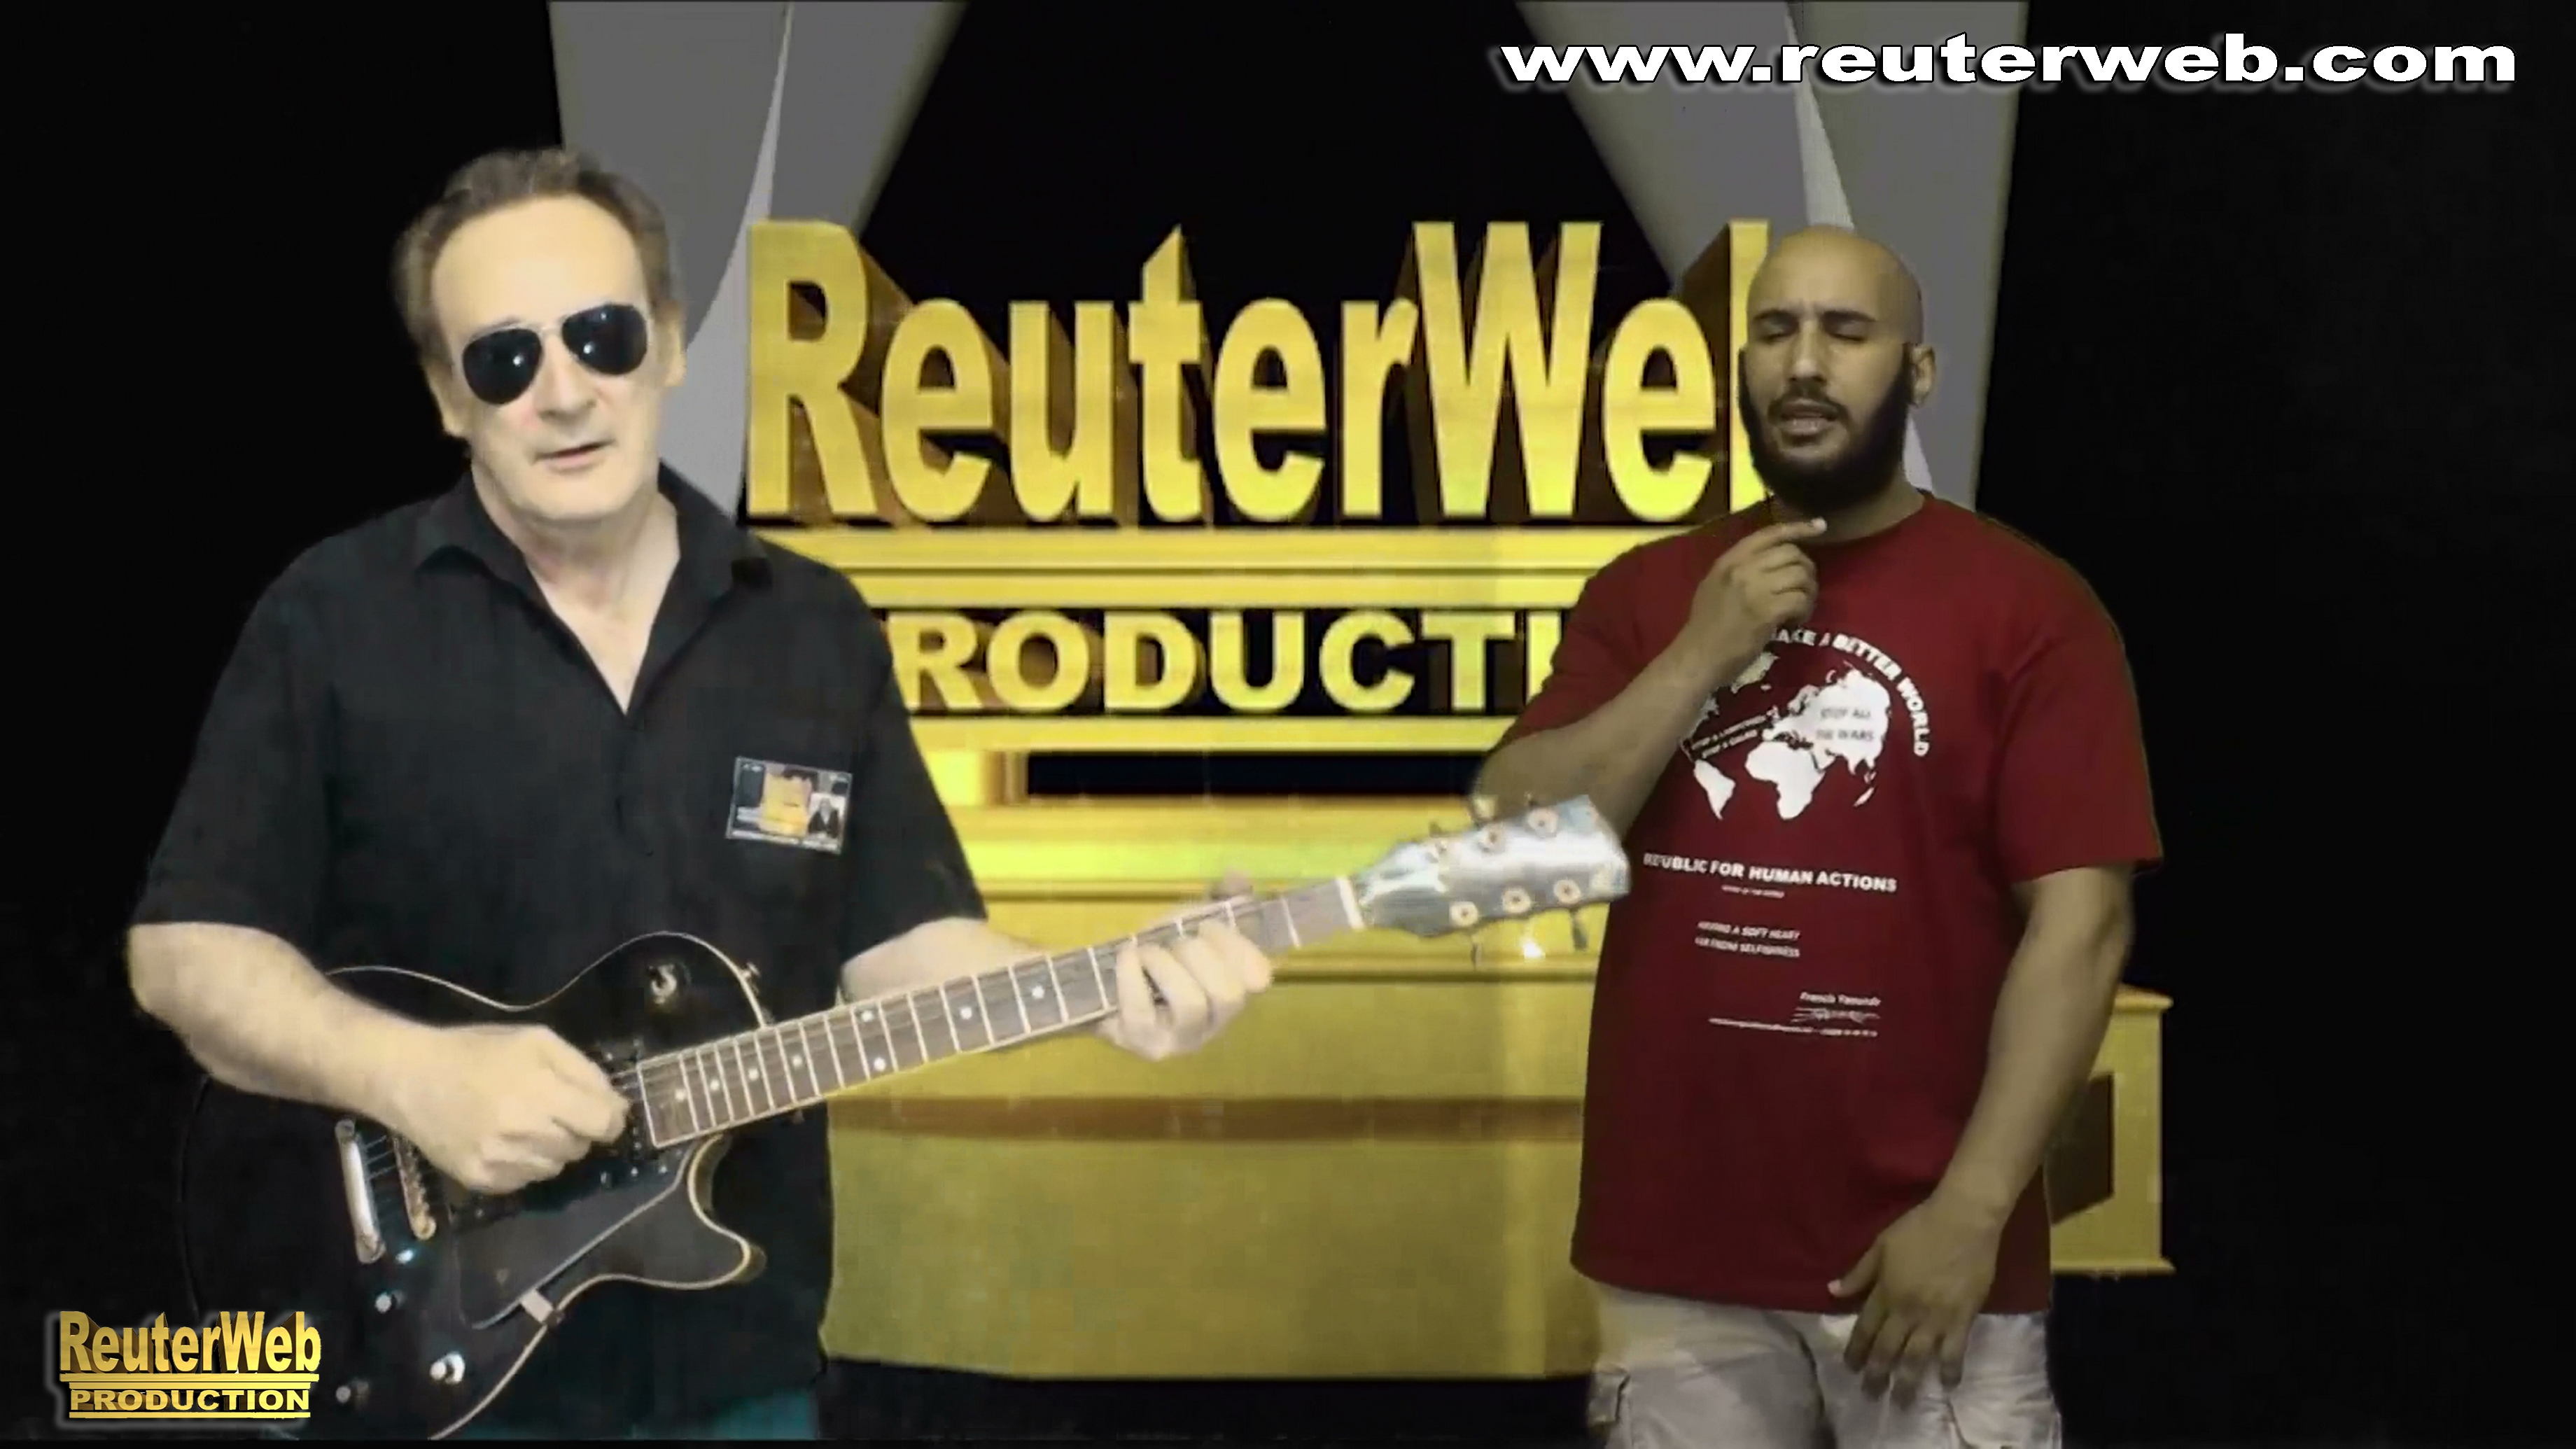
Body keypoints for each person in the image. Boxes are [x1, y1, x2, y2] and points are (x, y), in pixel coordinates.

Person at [125, 147, 1277, 1441]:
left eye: (603, 336)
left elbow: (904, 944)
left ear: (669, 343)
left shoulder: (814, 629)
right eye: (505, 359)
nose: (566, 391)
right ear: (449, 397)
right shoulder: (333, 617)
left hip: (739, 1373)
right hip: (429, 1372)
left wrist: (1107, 990)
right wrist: (412, 1075)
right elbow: (185, 953)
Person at [1477, 225, 2159, 1448]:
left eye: (1847, 332)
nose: (1804, 362)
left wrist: (1972, 1209)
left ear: (1919, 371)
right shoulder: (1651, 593)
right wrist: (1702, 653)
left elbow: (2085, 925)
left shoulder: (2033, 610)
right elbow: (1519, 847)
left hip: (1923, 1261)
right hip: (1678, 1263)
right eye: (1775, 330)